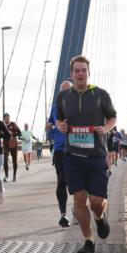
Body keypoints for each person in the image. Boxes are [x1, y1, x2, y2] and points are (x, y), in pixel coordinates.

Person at [54, 55, 118, 253]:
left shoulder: (101, 94)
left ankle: (99, 217)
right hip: (72, 156)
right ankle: (88, 240)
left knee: (96, 202)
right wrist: (61, 126)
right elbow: (60, 120)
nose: (80, 74)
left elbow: (112, 117)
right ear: (72, 74)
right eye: (77, 70)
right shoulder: (63, 97)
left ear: (89, 72)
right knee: (79, 198)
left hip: (96, 156)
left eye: (83, 70)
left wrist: (106, 128)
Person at [46, 80, 72, 227]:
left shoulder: (79, 106)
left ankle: (79, 207)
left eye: (69, 91)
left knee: (77, 183)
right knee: (62, 181)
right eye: (63, 91)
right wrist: (49, 127)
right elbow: (50, 123)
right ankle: (63, 214)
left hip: (77, 148)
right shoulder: (55, 108)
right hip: (60, 149)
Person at [2, 113, 21, 181]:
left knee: (14, 161)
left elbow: (19, 133)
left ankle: (14, 175)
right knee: (5, 160)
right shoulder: (2, 125)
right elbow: (0, 134)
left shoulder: (13, 124)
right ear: (4, 119)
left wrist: (13, 133)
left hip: (14, 144)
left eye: (8, 118)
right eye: (6, 118)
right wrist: (3, 134)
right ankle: (6, 176)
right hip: (6, 145)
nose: (7, 119)